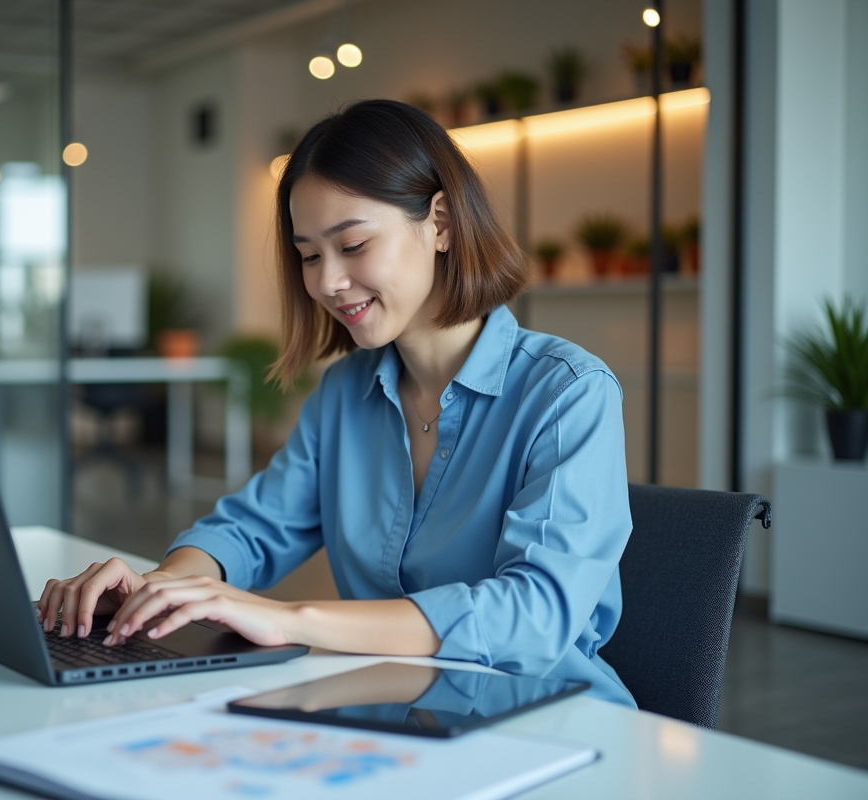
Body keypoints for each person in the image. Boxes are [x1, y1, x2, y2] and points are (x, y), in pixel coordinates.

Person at [38, 99, 635, 707]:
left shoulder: (568, 392)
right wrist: (162, 588)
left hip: (549, 721)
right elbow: (253, 528)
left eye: (352, 245)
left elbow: (535, 615)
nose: (326, 282)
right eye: (309, 255)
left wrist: (292, 619)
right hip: (398, 714)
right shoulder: (346, 393)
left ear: (443, 223)